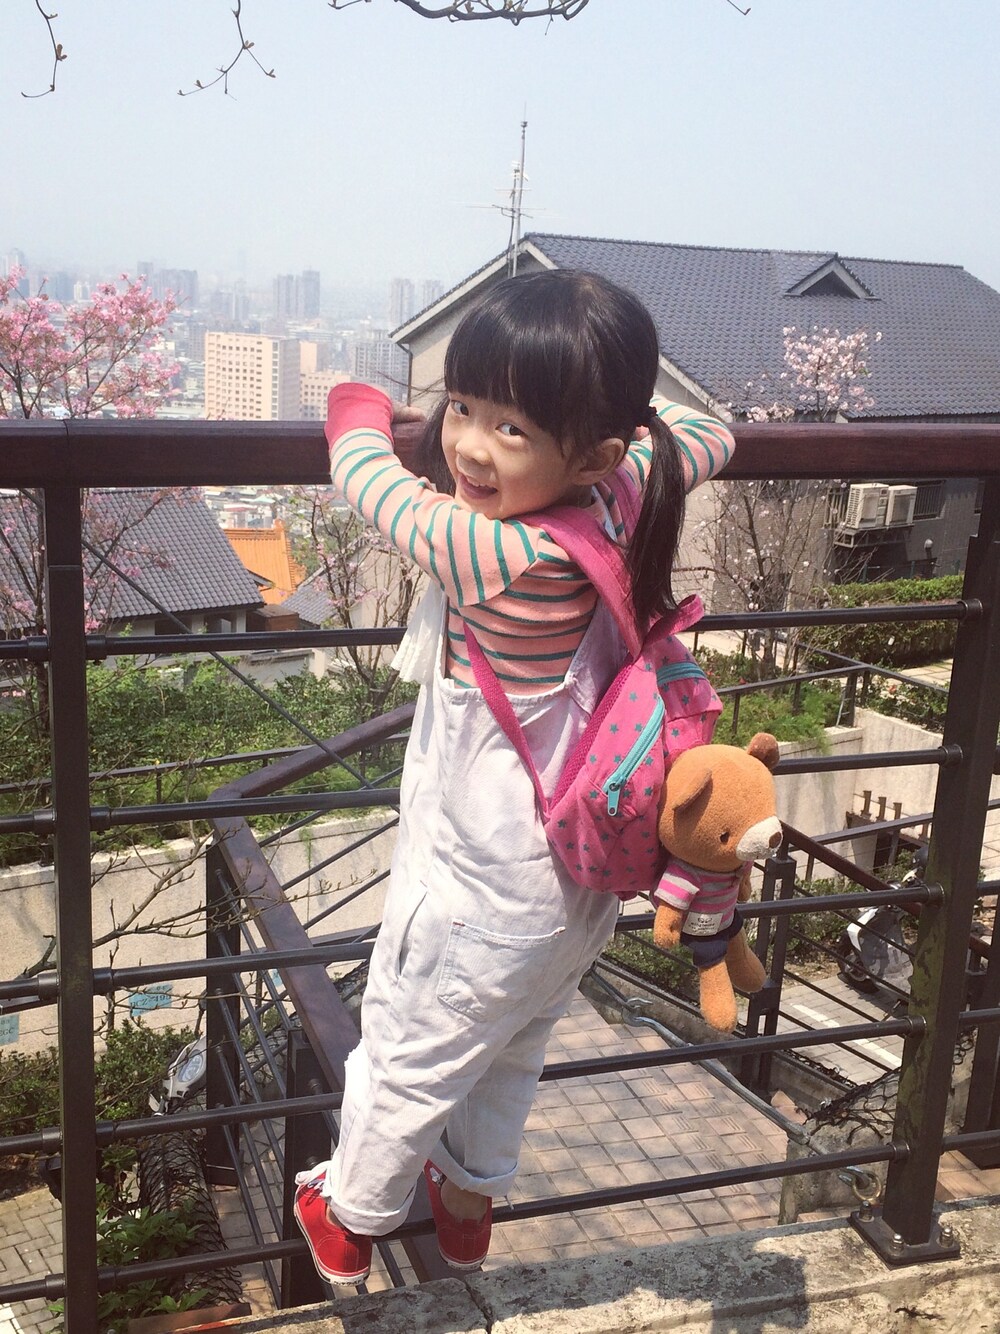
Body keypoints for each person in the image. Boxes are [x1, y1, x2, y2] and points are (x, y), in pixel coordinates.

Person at [293, 268, 735, 1284]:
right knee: (509, 1045)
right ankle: (467, 1204)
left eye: (511, 427)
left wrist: (358, 403)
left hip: (482, 883)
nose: (469, 447)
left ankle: (349, 1218)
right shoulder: (622, 495)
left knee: (406, 1046)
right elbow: (709, 432)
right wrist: (620, 423)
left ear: (589, 451)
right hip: (576, 886)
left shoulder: (490, 548)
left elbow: (362, 470)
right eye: (462, 408)